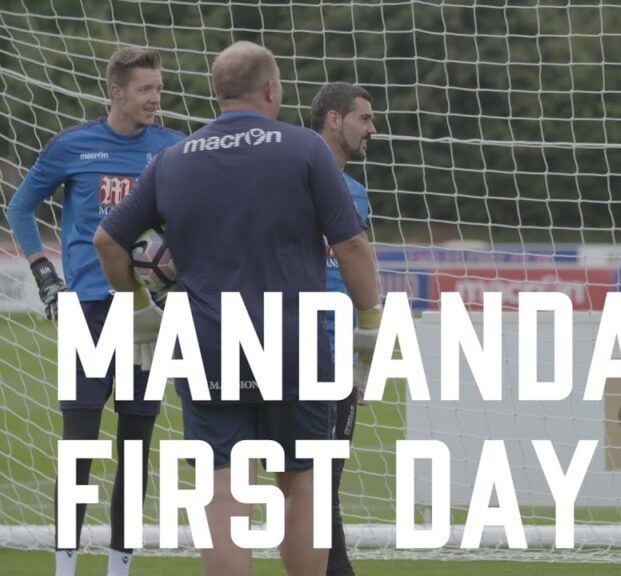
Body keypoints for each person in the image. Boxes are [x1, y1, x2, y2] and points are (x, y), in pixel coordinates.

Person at [93, 41, 381, 576]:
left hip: (208, 344)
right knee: (301, 485)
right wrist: (369, 327)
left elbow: (108, 242)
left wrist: (140, 310)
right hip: (292, 343)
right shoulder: (305, 150)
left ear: (217, 93)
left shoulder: (171, 159)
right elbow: (352, 248)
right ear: (271, 90)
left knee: (224, 491)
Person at [5, 46, 183, 576]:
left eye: (159, 87)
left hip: (148, 317)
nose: (156, 98)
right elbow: (19, 207)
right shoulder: (73, 146)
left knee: (136, 446)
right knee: (78, 446)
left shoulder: (174, 150)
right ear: (117, 91)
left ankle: (118, 568)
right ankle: (64, 566)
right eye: (146, 89)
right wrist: (44, 274)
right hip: (87, 313)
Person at [309, 81, 377, 576]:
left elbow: (356, 276)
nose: (371, 129)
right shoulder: (289, 177)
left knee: (326, 478)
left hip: (340, 357)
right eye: (364, 119)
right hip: (296, 349)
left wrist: (363, 357)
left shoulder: (357, 193)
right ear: (335, 119)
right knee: (310, 480)